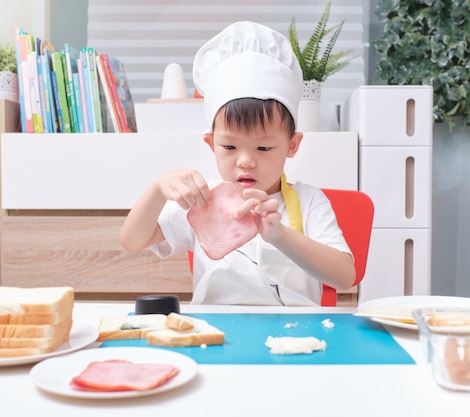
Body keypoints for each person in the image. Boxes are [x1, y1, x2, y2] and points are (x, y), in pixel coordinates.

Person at [121, 21, 355, 306]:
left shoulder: (310, 201)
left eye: (263, 147)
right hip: (217, 336)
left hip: (295, 336)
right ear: (211, 144)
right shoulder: (201, 200)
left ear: (292, 145)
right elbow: (132, 240)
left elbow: (344, 277)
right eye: (230, 147)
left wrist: (280, 236)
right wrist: (158, 189)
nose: (246, 161)